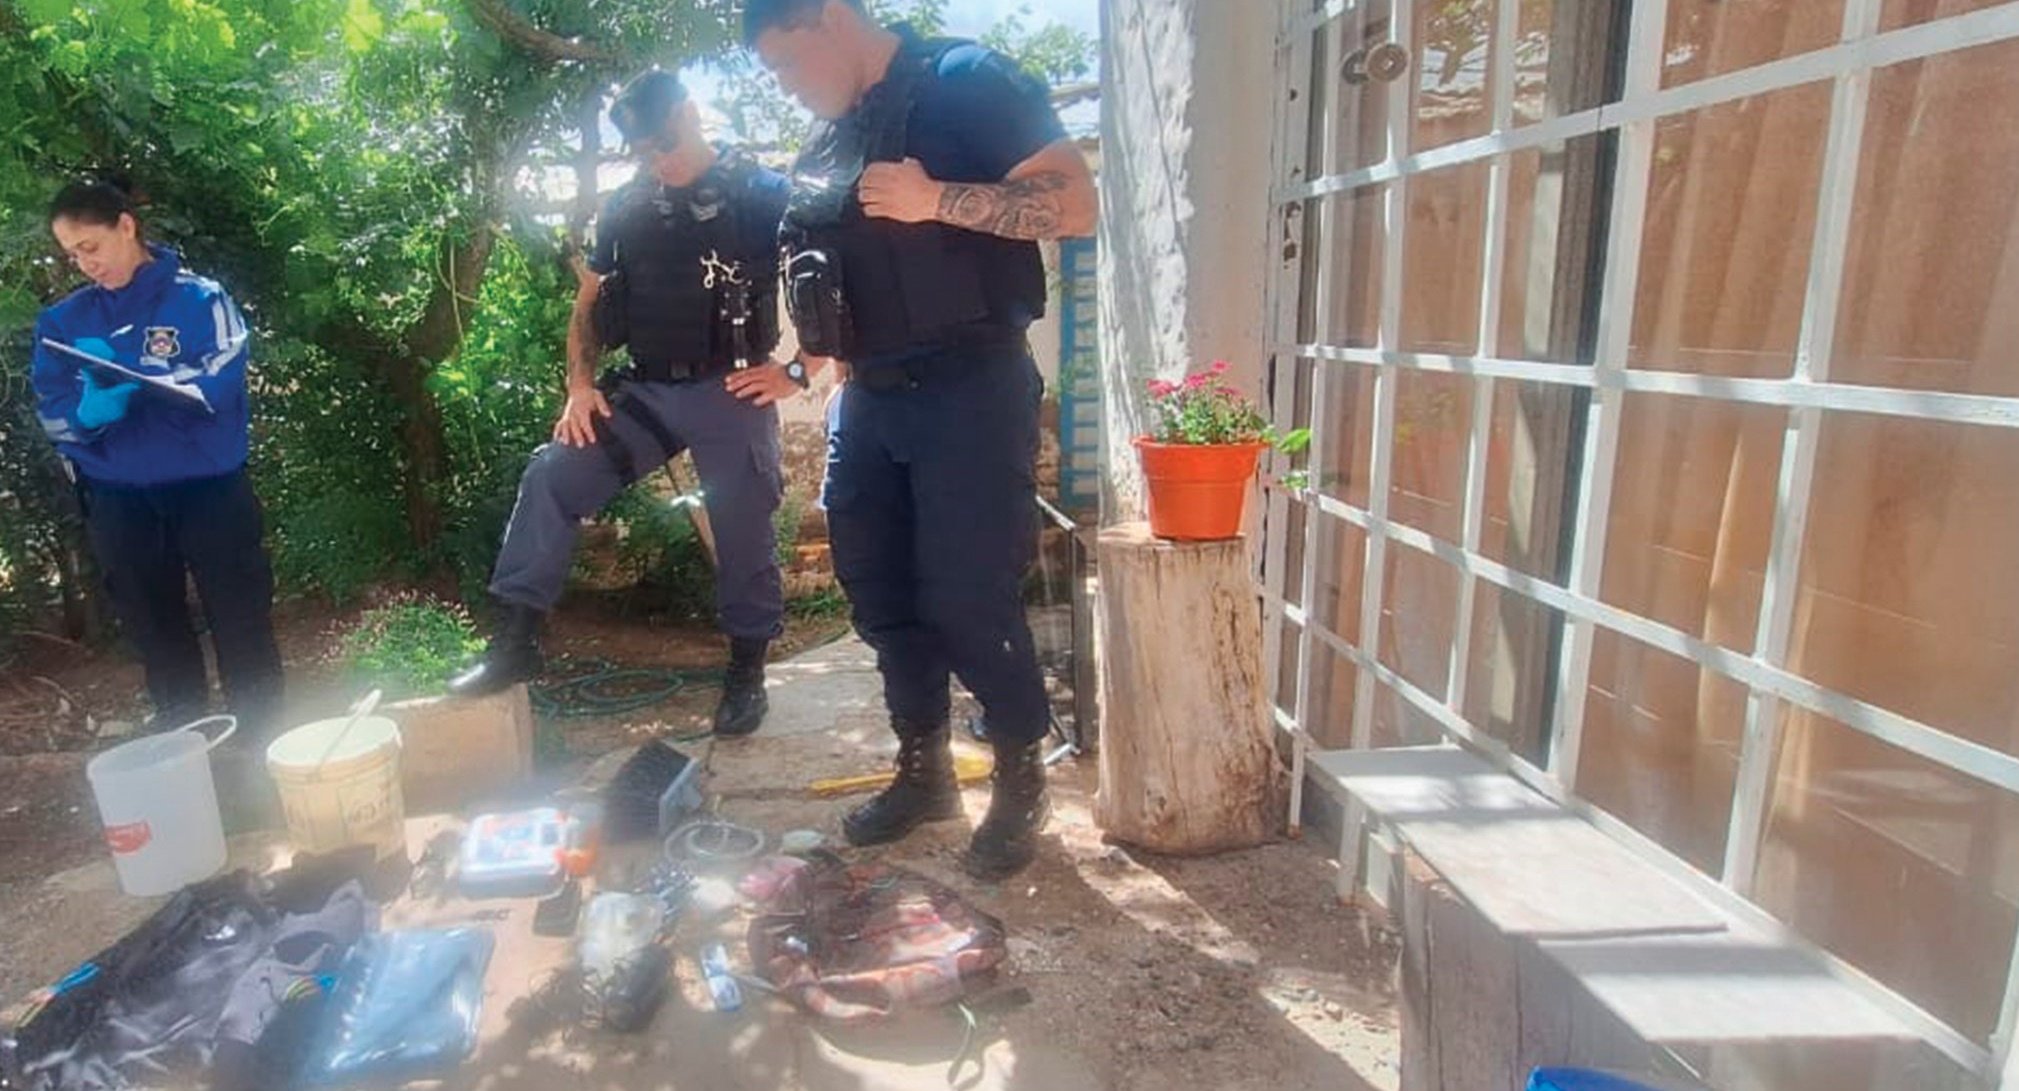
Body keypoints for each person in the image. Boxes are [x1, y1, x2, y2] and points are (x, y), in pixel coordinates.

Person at [745, 0, 1097, 880]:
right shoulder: (832, 138)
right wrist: (799, 369)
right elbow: (834, 278)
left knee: (967, 597)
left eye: (785, 63)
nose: (783, 87)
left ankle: (1019, 779)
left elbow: (1076, 202)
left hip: (969, 384)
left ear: (828, 18)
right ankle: (925, 770)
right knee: (881, 593)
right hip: (867, 397)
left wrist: (935, 200)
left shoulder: (963, 80)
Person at [448, 69, 806, 739]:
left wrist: (798, 369)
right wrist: (579, 386)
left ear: (690, 113)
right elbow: (587, 306)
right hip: (646, 391)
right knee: (554, 472)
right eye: (643, 150)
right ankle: (516, 640)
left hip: (732, 388)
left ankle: (746, 668)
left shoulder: (762, 194)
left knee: (744, 518)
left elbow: (831, 272)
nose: (658, 159)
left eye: (665, 142)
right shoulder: (627, 207)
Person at [31, 177, 285, 738]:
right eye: (73, 255)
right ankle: (183, 746)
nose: (85, 265)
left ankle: (261, 742)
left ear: (126, 226)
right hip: (119, 499)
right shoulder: (64, 323)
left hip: (210, 492)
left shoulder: (201, 300)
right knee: (154, 627)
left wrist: (144, 378)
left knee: (240, 617)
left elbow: (221, 379)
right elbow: (51, 408)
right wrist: (89, 413)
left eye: (91, 247)